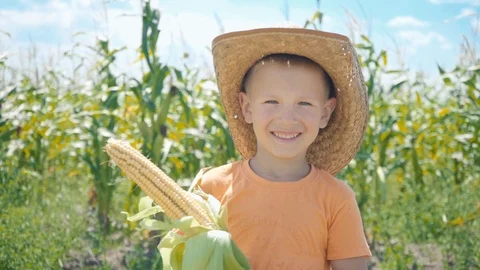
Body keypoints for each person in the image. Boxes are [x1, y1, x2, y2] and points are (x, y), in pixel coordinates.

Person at [195, 25, 371, 269]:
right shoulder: (211, 188)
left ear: (325, 112)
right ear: (247, 107)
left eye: (304, 103)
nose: (288, 118)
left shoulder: (336, 200)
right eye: (272, 101)